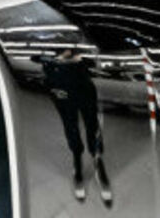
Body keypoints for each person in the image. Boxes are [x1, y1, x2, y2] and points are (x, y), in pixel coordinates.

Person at [40, 49, 112, 205]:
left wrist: (81, 57)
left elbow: (94, 59)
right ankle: (77, 163)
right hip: (58, 84)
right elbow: (38, 56)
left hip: (82, 83)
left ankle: (97, 159)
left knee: (92, 124)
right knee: (70, 126)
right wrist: (58, 58)